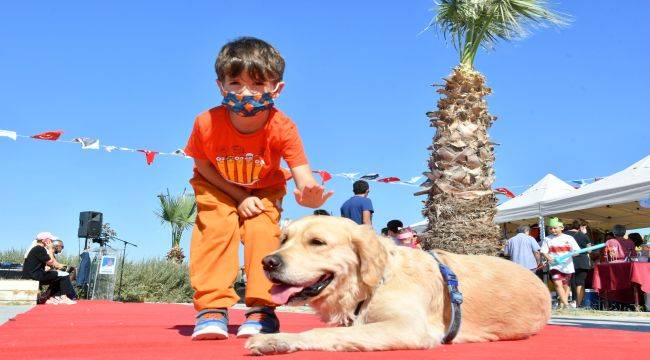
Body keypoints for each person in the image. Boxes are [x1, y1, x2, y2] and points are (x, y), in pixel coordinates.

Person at [184, 37, 333, 341]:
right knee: (216, 229)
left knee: (262, 233)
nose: (246, 92)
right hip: (216, 186)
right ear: (220, 85)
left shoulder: (283, 127)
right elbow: (202, 166)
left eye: (257, 82)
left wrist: (309, 195)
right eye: (235, 82)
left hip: (265, 190)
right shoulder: (205, 123)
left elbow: (302, 175)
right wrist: (240, 197)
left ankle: (262, 310)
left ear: (276, 88)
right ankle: (212, 308)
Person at [22, 232, 77, 305]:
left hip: (32, 275)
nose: (52, 242)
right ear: (45, 241)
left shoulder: (36, 248)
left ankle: (52, 297)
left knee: (56, 275)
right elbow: (51, 262)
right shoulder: (39, 249)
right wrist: (50, 249)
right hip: (35, 276)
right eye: (50, 240)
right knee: (64, 274)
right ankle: (64, 298)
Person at [540, 218, 580, 309]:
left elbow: (577, 251)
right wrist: (550, 259)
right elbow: (544, 252)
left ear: (561, 228)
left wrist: (571, 254)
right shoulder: (547, 239)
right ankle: (566, 305)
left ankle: (562, 303)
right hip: (555, 266)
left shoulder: (569, 238)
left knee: (565, 285)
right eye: (551, 228)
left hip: (567, 266)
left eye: (555, 228)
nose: (552, 230)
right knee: (558, 284)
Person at [565, 219, 591, 308]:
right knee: (580, 282)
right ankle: (578, 304)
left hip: (569, 261)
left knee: (569, 282)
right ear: (580, 227)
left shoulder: (564, 235)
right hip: (582, 261)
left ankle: (567, 302)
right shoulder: (583, 235)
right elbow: (589, 250)